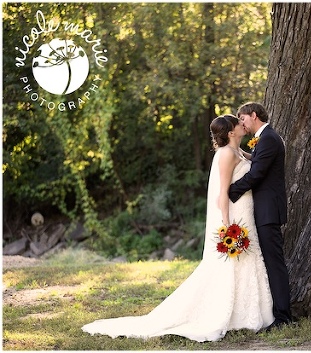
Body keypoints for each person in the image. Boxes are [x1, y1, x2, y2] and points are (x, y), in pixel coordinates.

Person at [82, 115, 274, 342]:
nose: (243, 125)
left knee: (248, 259)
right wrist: (227, 224)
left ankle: (250, 313)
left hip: (246, 211)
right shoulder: (225, 155)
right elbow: (221, 194)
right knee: (235, 261)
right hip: (234, 214)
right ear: (231, 132)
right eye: (238, 123)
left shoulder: (239, 151)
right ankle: (234, 315)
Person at [228, 102, 293, 330]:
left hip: (268, 211)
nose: (242, 123)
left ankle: (283, 317)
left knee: (275, 264)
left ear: (253, 115)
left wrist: (232, 191)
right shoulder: (266, 139)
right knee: (273, 262)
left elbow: (256, 174)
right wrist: (238, 153)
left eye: (243, 118)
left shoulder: (268, 139)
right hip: (266, 210)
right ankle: (281, 313)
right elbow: (258, 161)